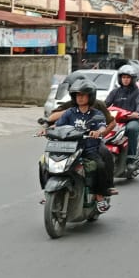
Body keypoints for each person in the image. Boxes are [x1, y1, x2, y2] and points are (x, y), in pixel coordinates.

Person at [54, 79, 113, 213]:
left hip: (88, 149)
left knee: (99, 166)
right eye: (77, 95)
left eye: (83, 95)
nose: (79, 98)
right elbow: (58, 125)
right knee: (45, 162)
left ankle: (100, 197)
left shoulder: (96, 114)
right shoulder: (70, 112)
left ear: (90, 96)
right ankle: (49, 192)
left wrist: (99, 132)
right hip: (69, 148)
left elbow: (103, 126)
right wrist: (47, 130)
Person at [103, 65, 139, 167]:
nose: (125, 80)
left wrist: (137, 112)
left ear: (133, 79)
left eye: (128, 77)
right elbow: (106, 104)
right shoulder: (115, 92)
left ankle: (131, 157)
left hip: (131, 119)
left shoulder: (138, 92)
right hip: (116, 119)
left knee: (132, 128)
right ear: (120, 78)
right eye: (123, 77)